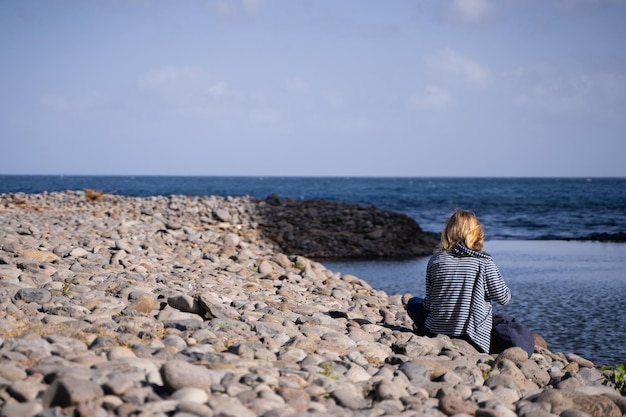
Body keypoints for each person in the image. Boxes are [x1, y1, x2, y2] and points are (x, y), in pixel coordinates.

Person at [406, 209, 512, 354]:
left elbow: (429, 304)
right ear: (476, 233)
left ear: (448, 231)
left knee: (413, 303)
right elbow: (504, 298)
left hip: (436, 329)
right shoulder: (484, 262)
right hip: (471, 334)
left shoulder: (436, 260)